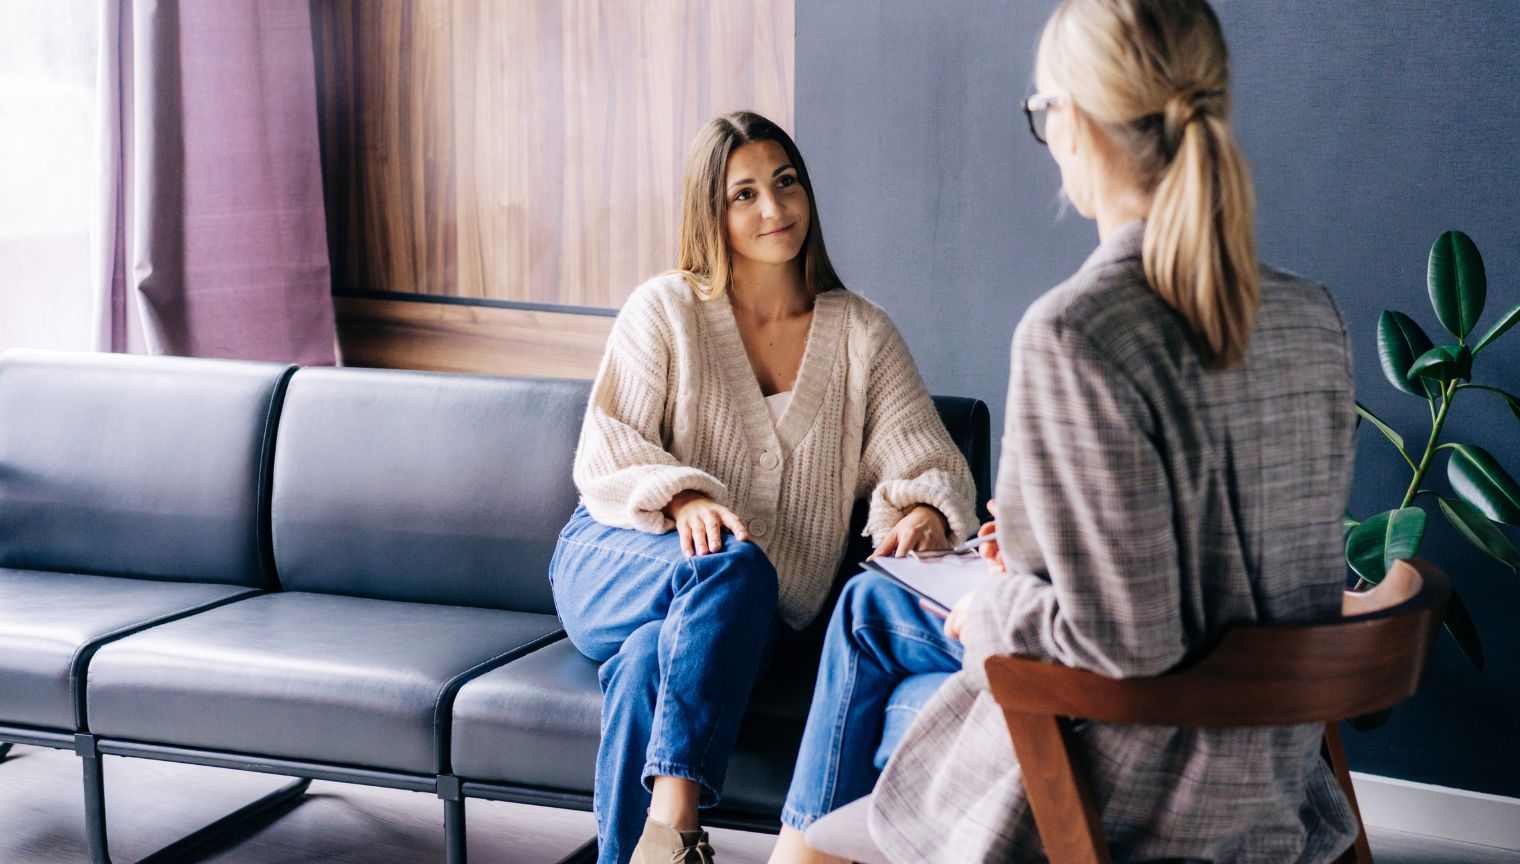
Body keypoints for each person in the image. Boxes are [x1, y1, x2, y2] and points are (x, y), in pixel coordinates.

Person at [771, 0, 1360, 861]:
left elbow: (1125, 639)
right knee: (878, 612)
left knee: (814, 850)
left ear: (1075, 122)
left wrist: (998, 606)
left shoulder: (1077, 331)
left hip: (1129, 789)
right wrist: (1046, 550)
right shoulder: (1313, 318)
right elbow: (1249, 561)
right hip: (1271, 784)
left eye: (1042, 113)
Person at [550, 110, 979, 864]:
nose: (773, 210)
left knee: (655, 659)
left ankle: (644, 852)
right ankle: (678, 826)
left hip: (759, 614)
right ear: (710, 212)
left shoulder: (861, 335)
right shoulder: (667, 308)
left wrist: (918, 508)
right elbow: (606, 447)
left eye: (784, 184)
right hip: (622, 559)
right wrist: (683, 496)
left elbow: (927, 460)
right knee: (733, 563)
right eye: (742, 194)